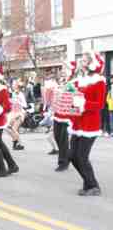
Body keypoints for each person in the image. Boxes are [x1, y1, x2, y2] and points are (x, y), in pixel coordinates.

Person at [68, 51, 105, 196]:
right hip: (78, 124)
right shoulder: (80, 80)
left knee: (82, 157)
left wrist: (83, 103)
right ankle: (88, 182)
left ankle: (93, 185)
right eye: (81, 60)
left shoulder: (99, 81)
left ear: (91, 63)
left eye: (83, 61)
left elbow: (100, 104)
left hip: (90, 125)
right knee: (72, 156)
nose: (80, 63)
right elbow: (72, 96)